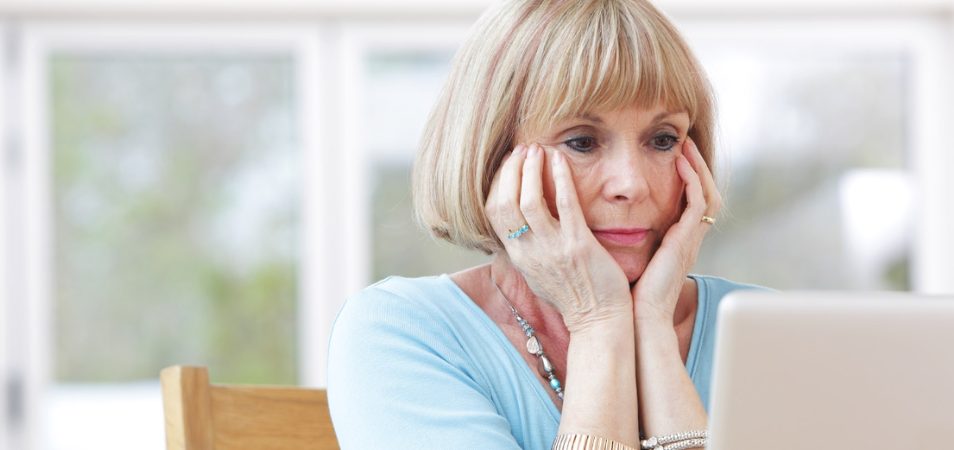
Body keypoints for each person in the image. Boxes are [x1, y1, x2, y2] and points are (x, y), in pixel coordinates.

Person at [328, 1, 764, 449]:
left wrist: (651, 328)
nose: (631, 184)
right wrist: (598, 321)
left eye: (663, 140)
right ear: (494, 158)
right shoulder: (401, 332)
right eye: (582, 141)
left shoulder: (765, 330)